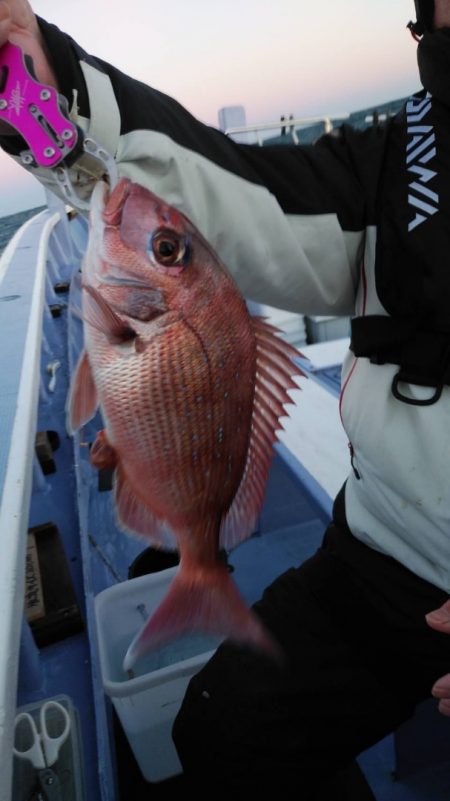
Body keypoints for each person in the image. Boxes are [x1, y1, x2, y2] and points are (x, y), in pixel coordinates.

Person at [1, 1, 450, 797]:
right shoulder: (404, 154)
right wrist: (49, 82)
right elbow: (234, 195)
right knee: (217, 727)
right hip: (378, 540)